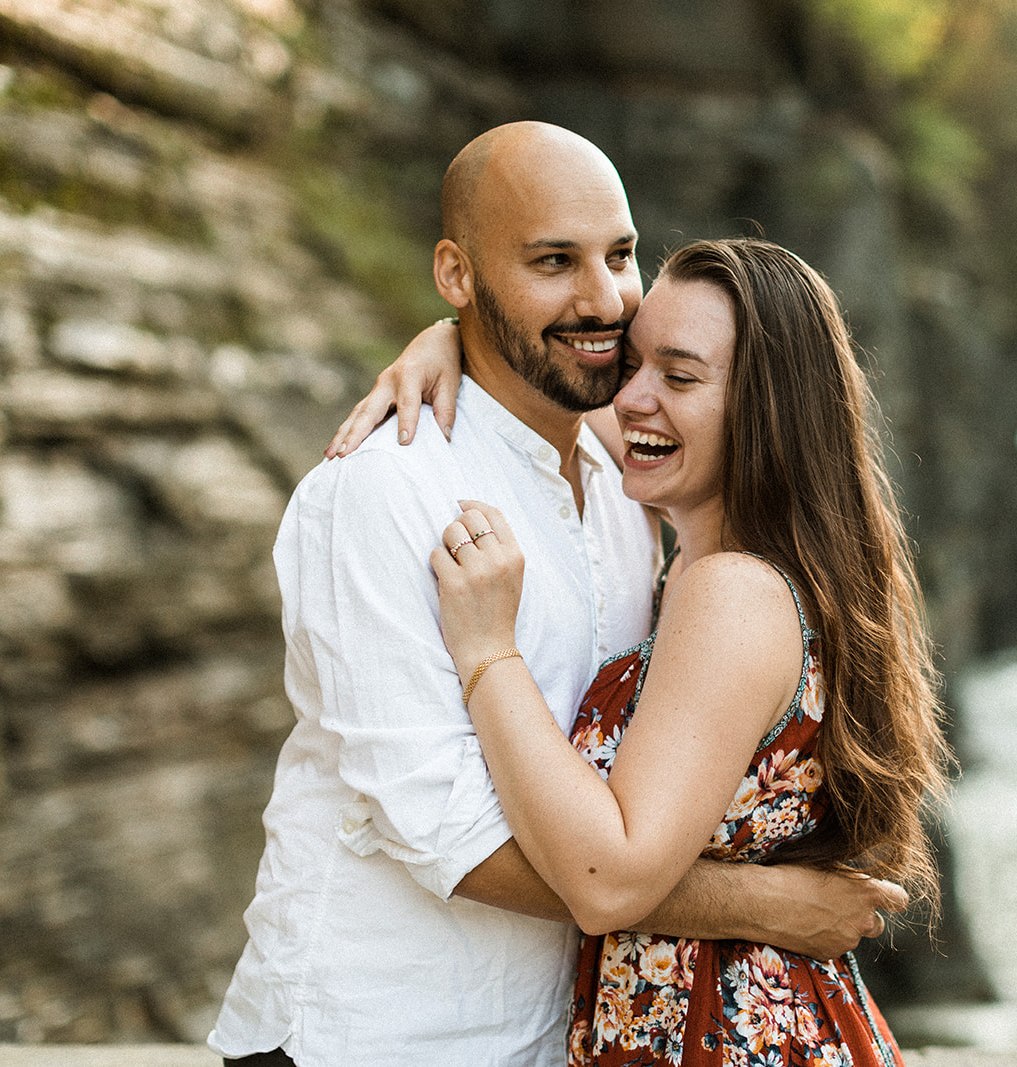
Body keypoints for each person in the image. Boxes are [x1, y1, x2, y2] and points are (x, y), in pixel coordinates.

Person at [208, 123, 905, 1067]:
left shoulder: (624, 487)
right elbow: (450, 832)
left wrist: (464, 339)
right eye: (552, 261)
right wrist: (761, 901)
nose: (604, 298)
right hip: (378, 1034)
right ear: (458, 276)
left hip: (547, 1039)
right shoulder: (384, 490)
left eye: (620, 255)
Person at [400, 238, 950, 1064]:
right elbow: (566, 400)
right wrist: (455, 337)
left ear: (767, 410)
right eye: (632, 362)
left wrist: (488, 654)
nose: (633, 399)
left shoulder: (731, 591)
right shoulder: (722, 553)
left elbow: (608, 881)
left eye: (680, 377)